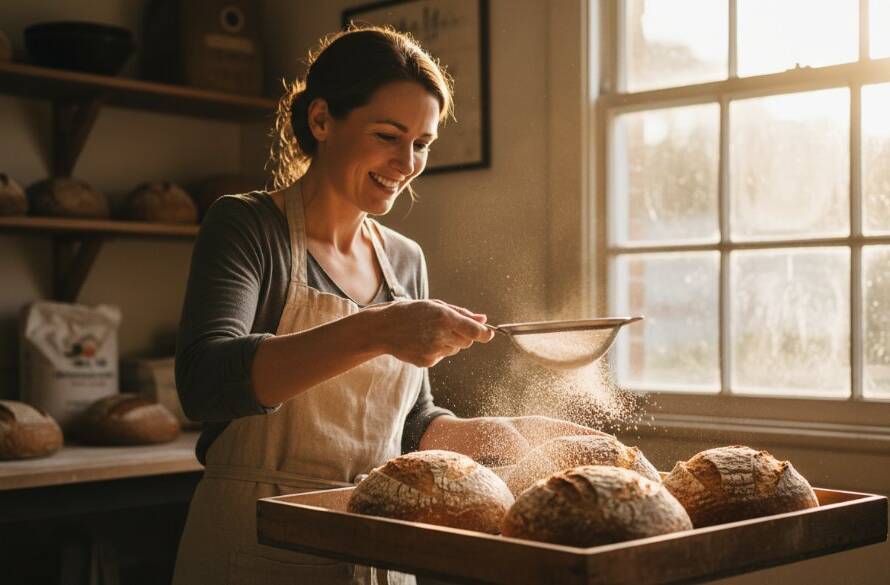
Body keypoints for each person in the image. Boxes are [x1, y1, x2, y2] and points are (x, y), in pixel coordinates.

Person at [171, 25, 598, 585]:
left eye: (421, 143)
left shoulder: (404, 259)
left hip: (381, 539)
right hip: (255, 539)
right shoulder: (248, 226)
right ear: (321, 120)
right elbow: (204, 384)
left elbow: (411, 424)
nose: (407, 162)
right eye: (388, 136)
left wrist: (514, 433)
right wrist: (375, 330)